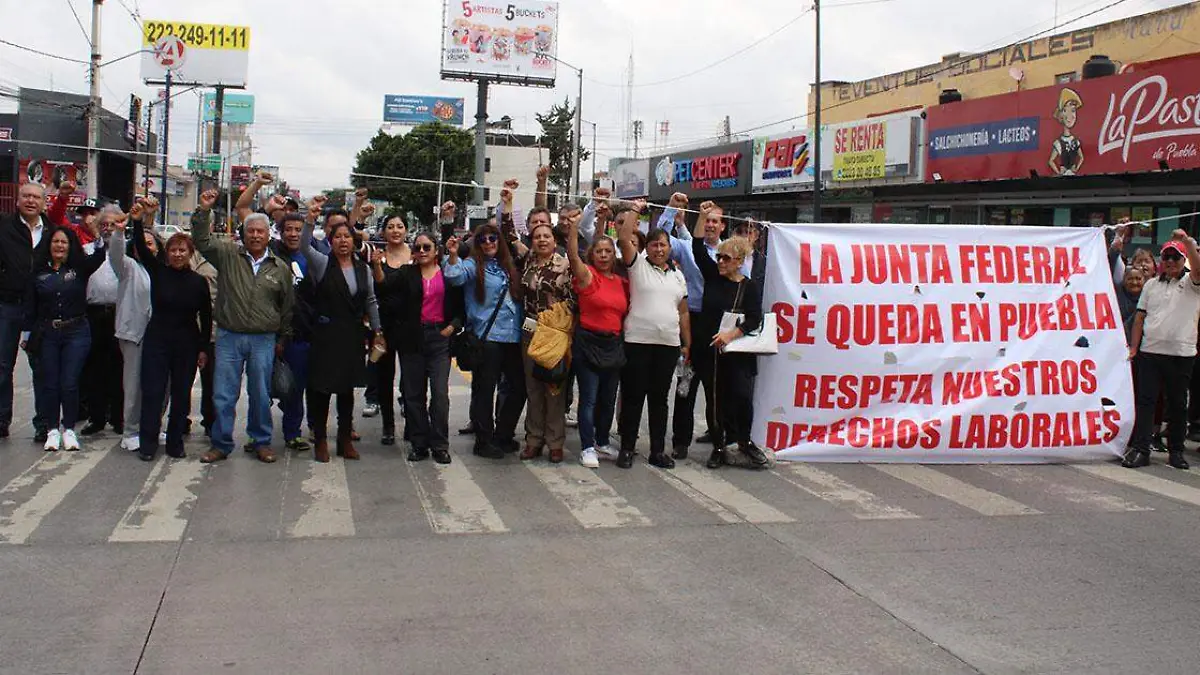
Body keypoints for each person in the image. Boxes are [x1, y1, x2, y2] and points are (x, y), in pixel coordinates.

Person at [193, 190, 295, 465]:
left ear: (268, 235)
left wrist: (281, 337)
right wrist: (203, 211)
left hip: (264, 339)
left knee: (261, 394)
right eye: (251, 231)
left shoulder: (280, 267)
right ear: (244, 233)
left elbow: (287, 306)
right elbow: (201, 240)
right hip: (229, 336)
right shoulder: (227, 254)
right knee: (224, 394)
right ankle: (221, 443)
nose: (256, 236)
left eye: (261, 231)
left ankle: (260, 441)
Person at [666, 195, 753, 460]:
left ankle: (722, 440)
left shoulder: (737, 265)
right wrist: (691, 215)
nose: (712, 225)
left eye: (716, 221)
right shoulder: (701, 256)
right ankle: (680, 441)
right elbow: (695, 245)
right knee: (685, 386)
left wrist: (733, 332)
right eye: (708, 221)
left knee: (718, 391)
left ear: (723, 226)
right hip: (692, 323)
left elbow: (747, 301)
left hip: (721, 330)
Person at [122, 212, 212, 461]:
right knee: (153, 392)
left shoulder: (198, 282)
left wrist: (203, 349)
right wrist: (138, 222)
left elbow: (206, 316)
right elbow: (140, 246)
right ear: (167, 253)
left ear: (190, 253)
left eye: (183, 250)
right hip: (157, 340)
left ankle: (175, 444)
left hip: (186, 343)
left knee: (181, 394)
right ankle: (148, 444)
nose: (178, 254)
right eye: (173, 250)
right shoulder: (158, 271)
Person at [300, 206, 382, 462]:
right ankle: (321, 441)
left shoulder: (363, 269)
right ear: (330, 240)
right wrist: (310, 220)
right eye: (337, 237)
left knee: (347, 392)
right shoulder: (323, 263)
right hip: (326, 336)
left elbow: (370, 300)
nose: (343, 241)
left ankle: (345, 440)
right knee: (322, 391)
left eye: (347, 236)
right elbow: (304, 246)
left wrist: (378, 330)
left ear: (353, 240)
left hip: (353, 336)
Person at [614, 209, 691, 469]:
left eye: (663, 245)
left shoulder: (678, 276)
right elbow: (624, 237)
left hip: (668, 346)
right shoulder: (637, 266)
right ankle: (626, 448)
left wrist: (686, 342)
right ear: (647, 247)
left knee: (659, 401)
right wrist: (635, 211)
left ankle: (657, 451)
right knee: (633, 398)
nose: (659, 249)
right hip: (637, 342)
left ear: (670, 248)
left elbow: (683, 311)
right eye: (655, 244)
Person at [377, 232, 463, 463]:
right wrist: (377, 265)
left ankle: (440, 445)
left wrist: (452, 327)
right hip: (412, 339)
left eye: (427, 247)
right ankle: (419, 443)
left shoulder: (447, 274)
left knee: (440, 395)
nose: (422, 251)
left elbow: (459, 307)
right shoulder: (407, 273)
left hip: (439, 339)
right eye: (418, 248)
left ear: (436, 250)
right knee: (413, 395)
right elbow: (383, 285)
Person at [691, 214, 769, 470]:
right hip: (710, 352)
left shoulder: (749, 287)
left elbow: (755, 319)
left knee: (741, 397)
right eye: (719, 257)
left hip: (738, 352)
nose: (721, 262)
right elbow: (697, 245)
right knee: (714, 399)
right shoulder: (713, 278)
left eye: (726, 258)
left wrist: (731, 334)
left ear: (739, 261)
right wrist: (703, 216)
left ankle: (744, 442)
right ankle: (718, 446)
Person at [443, 223, 526, 459]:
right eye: (483, 240)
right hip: (486, 338)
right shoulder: (471, 265)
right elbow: (453, 276)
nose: (488, 243)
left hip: (512, 337)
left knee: (518, 388)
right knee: (484, 391)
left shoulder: (507, 266)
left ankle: (503, 434)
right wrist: (451, 255)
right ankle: (484, 440)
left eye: (493, 238)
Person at [23, 226, 106, 451]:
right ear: (49, 245)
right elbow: (30, 305)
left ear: (71, 246)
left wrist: (97, 234)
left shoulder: (80, 268)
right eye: (56, 242)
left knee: (69, 382)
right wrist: (26, 334)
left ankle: (68, 429)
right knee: (50, 383)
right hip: (47, 333)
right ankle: (52, 430)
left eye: (65, 242)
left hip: (76, 332)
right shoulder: (38, 272)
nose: (60, 246)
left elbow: (100, 255)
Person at [1122, 231, 1200, 470]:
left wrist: (1187, 242)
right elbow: (1140, 319)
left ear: (1182, 260)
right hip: (1150, 352)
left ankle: (1176, 451)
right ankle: (1141, 449)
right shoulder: (1152, 285)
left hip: (1181, 354)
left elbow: (1197, 268)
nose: (1170, 262)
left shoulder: (1192, 283)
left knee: (1177, 404)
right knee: (1146, 402)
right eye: (1166, 257)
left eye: (1175, 258)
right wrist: (1134, 347)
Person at [566, 205, 629, 468]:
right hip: (588, 343)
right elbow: (572, 256)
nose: (604, 255)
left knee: (607, 397)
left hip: (613, 345)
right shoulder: (587, 276)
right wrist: (573, 226)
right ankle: (587, 446)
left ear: (613, 256)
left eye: (608, 251)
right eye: (599, 251)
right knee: (589, 398)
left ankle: (602, 441)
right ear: (592, 255)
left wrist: (603, 221)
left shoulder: (621, 281)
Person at [513, 201, 576, 464]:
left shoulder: (565, 264)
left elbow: (576, 299)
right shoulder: (528, 260)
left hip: (555, 334)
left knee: (554, 388)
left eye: (546, 236)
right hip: (530, 329)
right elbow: (509, 231)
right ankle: (533, 440)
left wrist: (559, 308)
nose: (541, 240)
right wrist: (508, 202)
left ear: (553, 239)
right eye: (537, 236)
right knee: (533, 387)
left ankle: (555, 442)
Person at [0, 183, 55, 441]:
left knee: (41, 368)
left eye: (36, 197)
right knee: (2, 365)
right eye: (26, 196)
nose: (31, 201)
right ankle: (1, 419)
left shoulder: (52, 231)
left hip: (41, 308)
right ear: (18, 200)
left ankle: (44, 423)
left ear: (44, 202)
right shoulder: (4, 226)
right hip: (8, 305)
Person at [110, 198, 159, 453]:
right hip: (134, 334)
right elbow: (115, 252)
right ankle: (130, 430)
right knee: (134, 385)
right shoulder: (128, 267)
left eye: (152, 244)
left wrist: (149, 218)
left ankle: (152, 425)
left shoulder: (162, 270)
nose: (147, 247)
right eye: (144, 244)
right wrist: (120, 231)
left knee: (160, 385)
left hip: (160, 337)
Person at [273, 210, 316, 453]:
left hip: (301, 333)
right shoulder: (272, 254)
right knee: (263, 387)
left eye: (297, 230)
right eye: (288, 229)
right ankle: (255, 435)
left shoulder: (310, 258)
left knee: (296, 386)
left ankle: (292, 432)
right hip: (270, 331)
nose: (292, 234)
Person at [80, 204, 125, 437]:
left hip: (120, 313)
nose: (108, 229)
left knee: (119, 368)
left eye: (113, 224)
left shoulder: (127, 250)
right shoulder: (87, 250)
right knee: (94, 368)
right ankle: (96, 418)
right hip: (94, 314)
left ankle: (118, 418)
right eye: (104, 224)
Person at [370, 213, 413, 445]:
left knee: (411, 376)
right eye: (390, 227)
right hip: (384, 327)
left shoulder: (416, 256)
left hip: (411, 325)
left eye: (400, 226)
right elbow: (378, 289)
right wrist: (376, 265)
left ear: (406, 230)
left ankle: (412, 422)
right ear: (383, 232)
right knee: (385, 377)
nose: (395, 230)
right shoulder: (378, 257)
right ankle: (388, 425)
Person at [191, 249, 219, 437]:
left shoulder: (217, 259)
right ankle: (179, 420)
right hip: (183, 327)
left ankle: (211, 421)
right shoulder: (181, 253)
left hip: (211, 330)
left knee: (210, 380)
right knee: (181, 380)